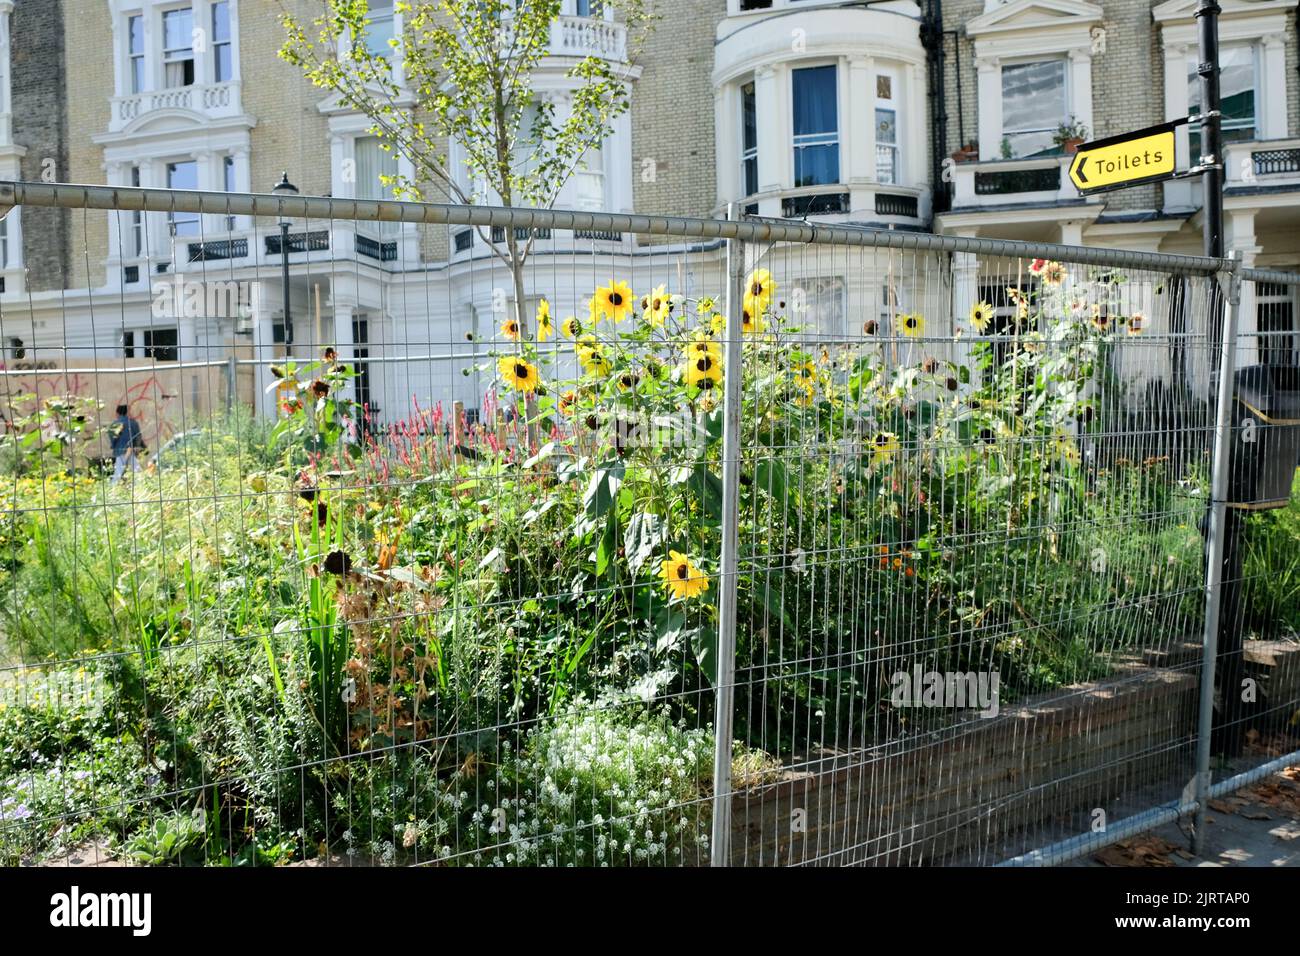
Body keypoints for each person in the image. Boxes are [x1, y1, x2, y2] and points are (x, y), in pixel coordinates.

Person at [110, 404, 144, 483]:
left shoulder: (114, 424)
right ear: (127, 412)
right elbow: (138, 437)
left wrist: (115, 447)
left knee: (118, 471)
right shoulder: (133, 423)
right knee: (137, 472)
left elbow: (113, 439)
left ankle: (112, 489)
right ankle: (140, 486)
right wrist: (137, 448)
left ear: (117, 413)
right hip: (131, 450)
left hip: (120, 451)